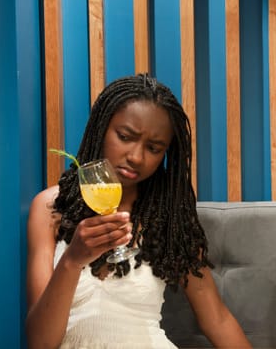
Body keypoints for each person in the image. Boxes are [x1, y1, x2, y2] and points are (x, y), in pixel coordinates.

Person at [25, 74, 252, 348]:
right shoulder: (50, 208)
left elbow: (217, 319)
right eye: (124, 136)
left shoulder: (168, 217)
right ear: (101, 127)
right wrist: (72, 261)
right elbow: (40, 342)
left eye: (154, 148)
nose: (136, 156)